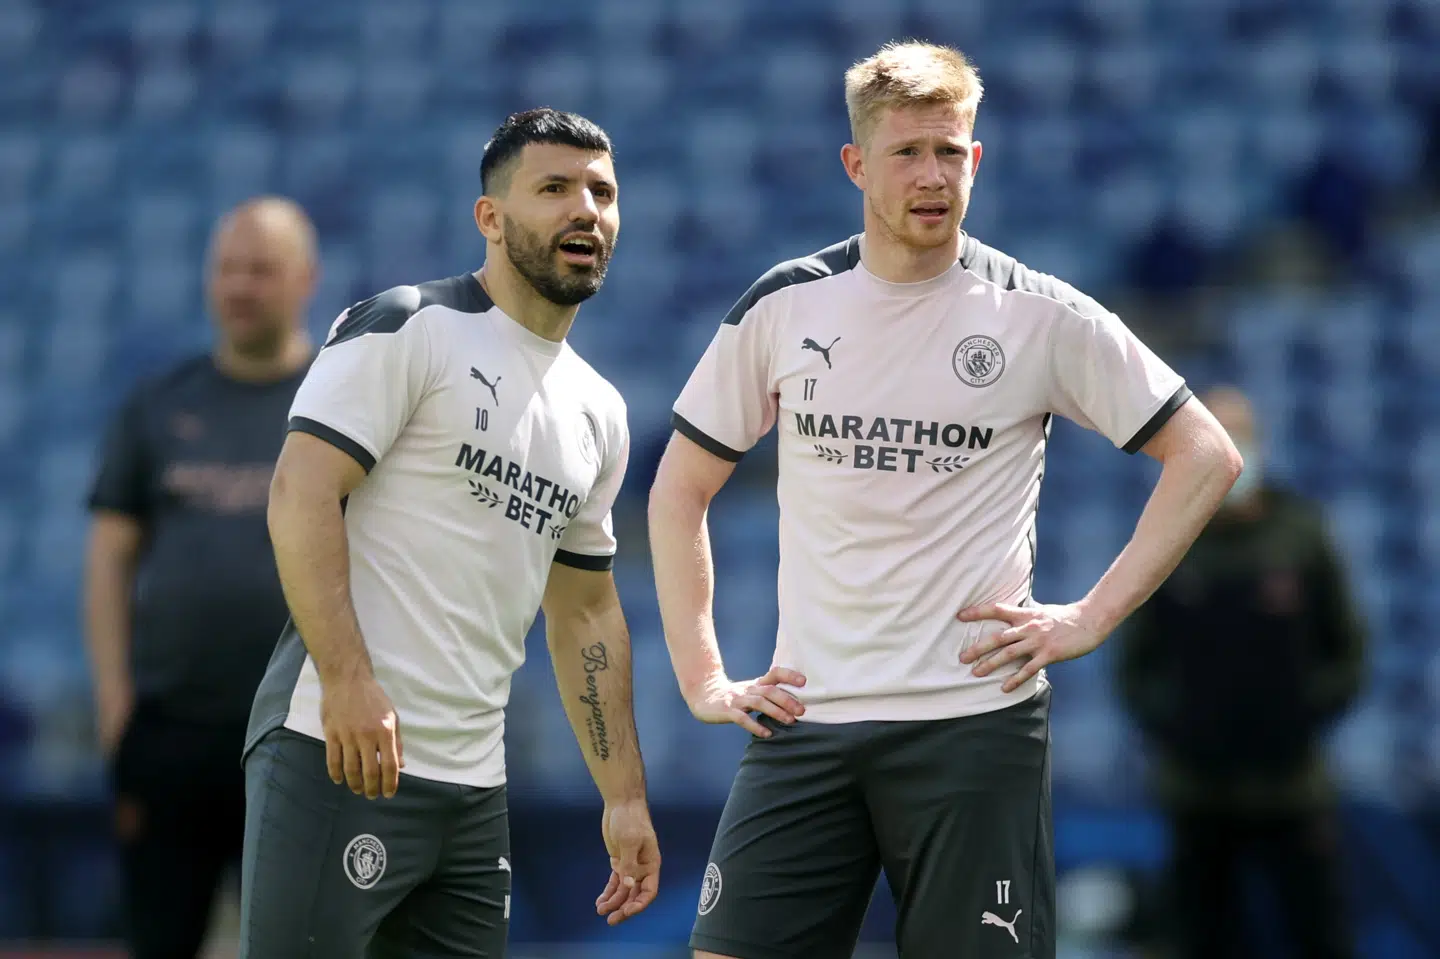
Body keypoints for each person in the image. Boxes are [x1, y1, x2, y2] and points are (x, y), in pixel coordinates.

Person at [647, 41, 1243, 959]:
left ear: (978, 158)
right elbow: (680, 487)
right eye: (907, 152)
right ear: (855, 164)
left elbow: (1204, 452)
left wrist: (1090, 614)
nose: (933, 175)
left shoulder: (1037, 314)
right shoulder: (787, 305)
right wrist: (703, 679)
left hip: (972, 728)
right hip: (808, 720)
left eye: (951, 151)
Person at [238, 108, 660, 959]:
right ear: (491, 218)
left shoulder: (600, 411)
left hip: (473, 792)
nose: (586, 209)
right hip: (337, 750)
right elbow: (299, 494)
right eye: (554, 188)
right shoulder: (408, 325)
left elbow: (582, 610)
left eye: (602, 192)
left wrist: (622, 793)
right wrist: (350, 682)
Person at [83, 196, 319, 959]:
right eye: (228, 269)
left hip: (303, 739)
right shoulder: (159, 404)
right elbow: (109, 557)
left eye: (262, 269)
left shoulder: (341, 406)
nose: (241, 286)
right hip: (171, 732)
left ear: (304, 279)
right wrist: (118, 708)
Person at [1116, 385, 1364, 959]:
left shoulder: (1302, 535)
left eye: (1241, 435)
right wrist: (1178, 726)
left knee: (1318, 933)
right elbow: (1134, 662)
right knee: (1201, 936)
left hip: (1292, 787)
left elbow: (1348, 648)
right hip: (1195, 790)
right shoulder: (1168, 536)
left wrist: (1301, 715)